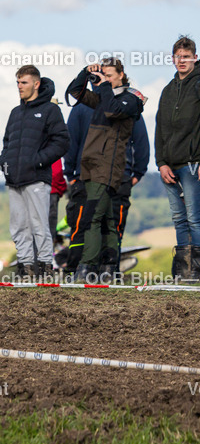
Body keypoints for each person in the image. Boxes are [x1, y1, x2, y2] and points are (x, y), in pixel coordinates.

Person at [64, 59, 145, 282]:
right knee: (108, 219)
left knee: (92, 217)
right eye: (103, 75)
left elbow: (112, 111)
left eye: (109, 75)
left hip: (109, 166)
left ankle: (86, 268)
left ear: (121, 75)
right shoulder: (102, 98)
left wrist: (104, 87)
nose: (105, 80)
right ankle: (108, 268)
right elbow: (75, 92)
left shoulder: (132, 99)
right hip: (90, 165)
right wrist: (85, 72)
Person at [0, 65, 70, 279]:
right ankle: (26, 267)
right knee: (18, 226)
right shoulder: (15, 113)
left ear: (36, 84)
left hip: (37, 179)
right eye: (18, 82)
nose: (19, 87)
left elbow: (62, 141)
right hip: (14, 179)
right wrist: (4, 162)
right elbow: (7, 142)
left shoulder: (50, 110)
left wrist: (37, 161)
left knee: (39, 224)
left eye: (24, 82)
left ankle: (46, 266)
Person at [155, 35, 200, 280]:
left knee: (195, 218)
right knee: (178, 218)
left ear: (195, 57)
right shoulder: (168, 90)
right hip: (169, 166)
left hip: (193, 163)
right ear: (173, 59)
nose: (181, 61)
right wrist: (160, 162)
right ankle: (185, 272)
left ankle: (198, 270)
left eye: (186, 56)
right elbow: (159, 127)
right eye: (178, 56)